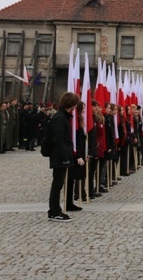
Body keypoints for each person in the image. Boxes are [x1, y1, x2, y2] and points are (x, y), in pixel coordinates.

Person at [48, 92, 81, 222]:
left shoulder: (64, 117)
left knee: (58, 184)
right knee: (57, 184)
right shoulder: (60, 118)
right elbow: (59, 140)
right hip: (59, 156)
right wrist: (66, 158)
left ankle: (54, 210)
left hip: (62, 155)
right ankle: (54, 211)